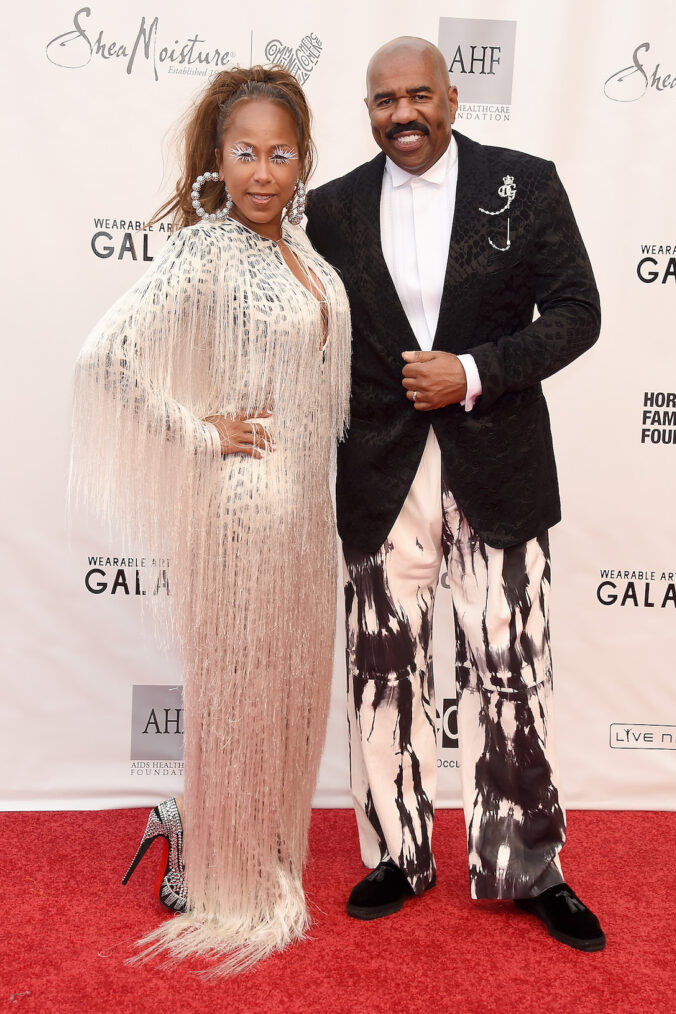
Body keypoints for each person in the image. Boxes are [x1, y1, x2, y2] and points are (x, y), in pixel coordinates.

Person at [305, 37, 605, 951]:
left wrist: (473, 370)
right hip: (379, 474)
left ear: (453, 94)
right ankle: (398, 854)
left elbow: (577, 312)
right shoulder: (331, 209)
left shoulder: (526, 182)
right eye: (383, 100)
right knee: (382, 670)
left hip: (498, 463)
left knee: (511, 666)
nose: (402, 114)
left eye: (419, 95)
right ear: (368, 110)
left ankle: (527, 865)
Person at [71, 66, 350, 975]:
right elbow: (104, 360)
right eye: (244, 152)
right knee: (236, 695)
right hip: (240, 518)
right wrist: (200, 432)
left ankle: (212, 824)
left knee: (281, 696)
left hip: (306, 524)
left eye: (279, 153)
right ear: (217, 161)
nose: (262, 172)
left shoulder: (304, 255)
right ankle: (207, 849)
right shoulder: (204, 252)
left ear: (303, 160)